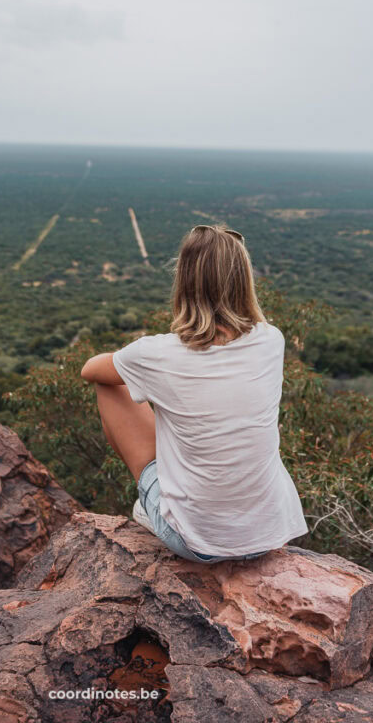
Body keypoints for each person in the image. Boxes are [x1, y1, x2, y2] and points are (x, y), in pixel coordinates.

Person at [80, 223, 308, 563]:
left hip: (197, 542)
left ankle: (152, 504)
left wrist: (137, 363)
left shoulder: (157, 353)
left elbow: (90, 369)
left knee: (110, 384)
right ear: (244, 280)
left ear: (183, 281)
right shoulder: (271, 340)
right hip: (268, 535)